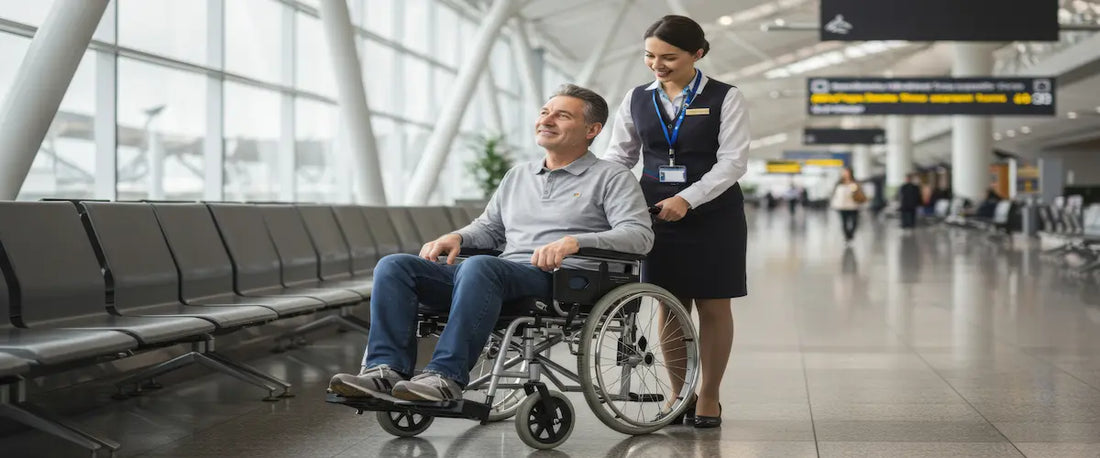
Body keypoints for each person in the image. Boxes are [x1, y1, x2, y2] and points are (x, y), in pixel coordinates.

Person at [328, 85, 653, 402]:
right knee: (395, 266)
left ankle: (445, 376)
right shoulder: (518, 176)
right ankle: (385, 370)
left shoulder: (612, 177)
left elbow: (639, 235)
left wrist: (574, 242)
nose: (547, 120)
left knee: (481, 266)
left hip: (562, 280)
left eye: (562, 116)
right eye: (544, 112)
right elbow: (490, 228)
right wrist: (457, 237)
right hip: (499, 275)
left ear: (592, 129)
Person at [602, 15, 750, 428]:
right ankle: (678, 393)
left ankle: (709, 395)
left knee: (714, 304)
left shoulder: (725, 97)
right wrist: (601, 193)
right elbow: (619, 156)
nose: (657, 64)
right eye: (650, 56)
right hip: (655, 214)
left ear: (696, 54)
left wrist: (688, 198)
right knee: (669, 304)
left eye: (668, 57)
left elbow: (733, 162)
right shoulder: (636, 98)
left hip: (714, 214)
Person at [831, 167, 863, 243]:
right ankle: (847, 237)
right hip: (842, 206)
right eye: (844, 172)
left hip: (853, 206)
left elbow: (858, 193)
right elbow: (835, 194)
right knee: (844, 222)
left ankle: (851, 234)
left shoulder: (854, 183)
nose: (845, 174)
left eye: (847, 172)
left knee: (854, 222)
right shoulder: (839, 183)